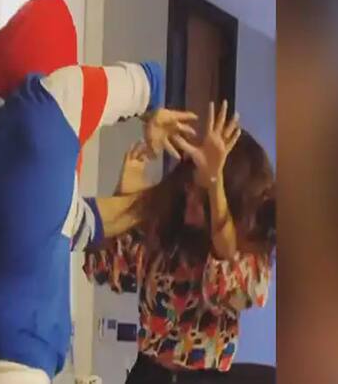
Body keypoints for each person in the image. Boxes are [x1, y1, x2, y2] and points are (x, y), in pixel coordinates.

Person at [0, 0, 198, 384]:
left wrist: (148, 194)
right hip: (14, 362)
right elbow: (147, 79)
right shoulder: (52, 97)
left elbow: (87, 224)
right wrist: (154, 112)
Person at [84, 101, 276, 384]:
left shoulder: (248, 260)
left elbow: (229, 279)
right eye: (190, 184)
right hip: (149, 375)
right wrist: (124, 197)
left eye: (202, 196)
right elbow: (100, 266)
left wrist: (214, 185)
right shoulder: (166, 230)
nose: (190, 195)